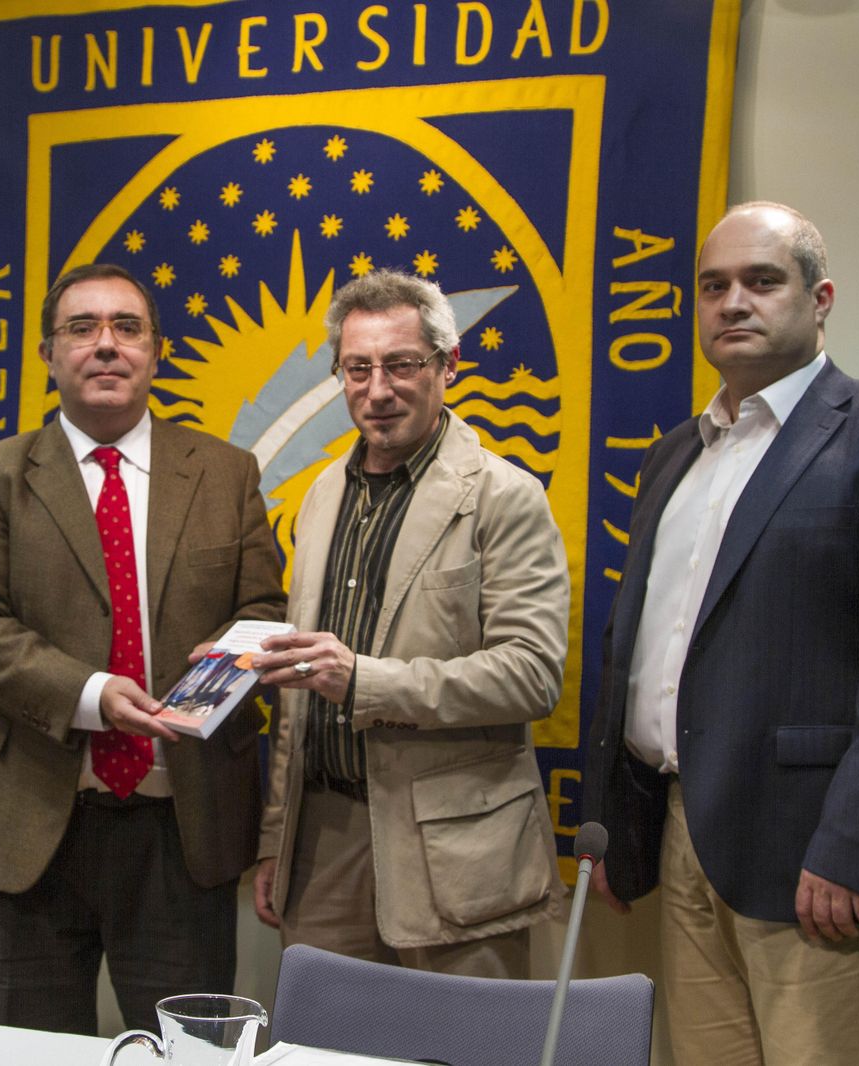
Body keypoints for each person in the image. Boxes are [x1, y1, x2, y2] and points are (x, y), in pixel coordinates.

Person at [581, 202, 859, 1065]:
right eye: (713, 286)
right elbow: (643, 649)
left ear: (820, 297)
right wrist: (619, 822)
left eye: (763, 281)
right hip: (685, 831)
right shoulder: (675, 456)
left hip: (816, 858)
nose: (734, 302)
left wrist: (856, 847)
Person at [0, 263, 286, 1033]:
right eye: (82, 328)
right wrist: (91, 695)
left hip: (180, 827)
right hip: (30, 824)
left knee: (189, 1052)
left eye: (127, 328)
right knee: (30, 1054)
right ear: (48, 353)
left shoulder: (226, 474)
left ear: (155, 352)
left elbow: (263, 609)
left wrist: (226, 670)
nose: (105, 345)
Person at [252, 269, 570, 979]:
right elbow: (300, 693)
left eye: (401, 365)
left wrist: (365, 680)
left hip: (454, 845)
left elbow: (531, 674)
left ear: (448, 366)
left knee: (461, 1048)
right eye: (357, 368)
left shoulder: (504, 496)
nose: (378, 389)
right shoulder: (321, 495)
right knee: (325, 1052)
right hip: (324, 836)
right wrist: (278, 837)